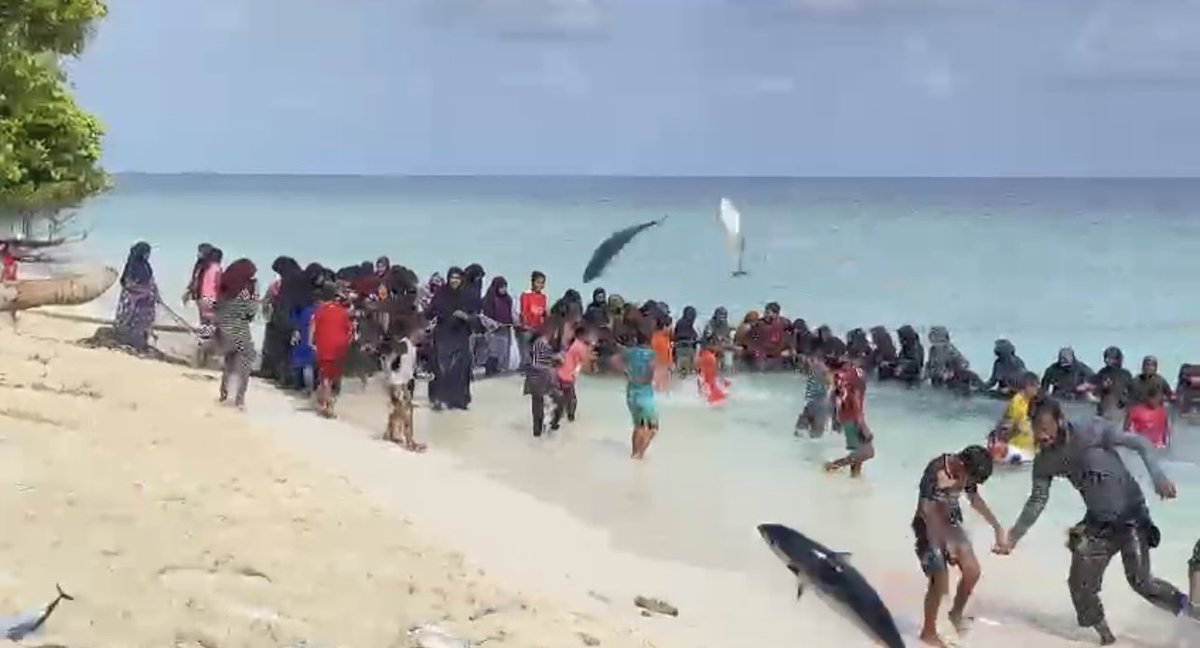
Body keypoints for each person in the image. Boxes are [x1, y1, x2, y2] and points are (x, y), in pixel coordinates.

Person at [994, 397, 1187, 645]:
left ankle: (1190, 612)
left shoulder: (1091, 430)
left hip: (1131, 514)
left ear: (1060, 421)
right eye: (1036, 429)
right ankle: (1106, 637)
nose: (1042, 436)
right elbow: (1037, 501)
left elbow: (1139, 442)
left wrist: (1157, 475)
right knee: (1080, 584)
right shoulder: (1046, 461)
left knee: (1142, 582)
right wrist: (1014, 536)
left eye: (1046, 428)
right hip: (1097, 523)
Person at [912, 445, 1003, 647]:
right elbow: (925, 510)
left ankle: (955, 615)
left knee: (973, 571)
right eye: (970, 479)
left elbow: (974, 499)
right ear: (961, 464)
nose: (968, 484)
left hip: (950, 523)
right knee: (940, 580)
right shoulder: (936, 470)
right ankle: (928, 632)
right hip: (928, 525)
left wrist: (996, 526)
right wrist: (946, 544)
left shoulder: (966, 472)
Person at [427, 267, 478, 410]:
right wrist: (441, 313)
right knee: (442, 368)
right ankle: (438, 399)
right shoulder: (440, 294)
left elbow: (475, 317)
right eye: (452, 278)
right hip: (443, 334)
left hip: (461, 335)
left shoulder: (467, 295)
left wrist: (465, 316)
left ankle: (459, 400)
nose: (455, 281)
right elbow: (430, 312)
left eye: (457, 278)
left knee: (461, 368)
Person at [612, 315, 658, 460]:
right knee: (653, 427)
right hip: (645, 394)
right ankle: (640, 454)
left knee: (638, 425)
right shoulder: (650, 355)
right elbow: (649, 374)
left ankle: (634, 453)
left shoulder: (630, 352)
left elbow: (615, 361)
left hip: (631, 391)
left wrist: (627, 373)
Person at [214, 259, 258, 409]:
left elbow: (217, 307)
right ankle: (239, 399)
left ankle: (224, 394)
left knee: (229, 363)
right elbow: (251, 312)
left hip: (224, 328)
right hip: (240, 329)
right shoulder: (248, 288)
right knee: (244, 363)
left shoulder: (225, 286)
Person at [825, 358, 875, 476]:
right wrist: (861, 423)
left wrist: (834, 418)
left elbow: (834, 397)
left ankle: (855, 480)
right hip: (853, 417)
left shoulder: (840, 376)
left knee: (857, 454)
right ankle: (833, 466)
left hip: (845, 416)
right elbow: (854, 398)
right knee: (868, 452)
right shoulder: (857, 375)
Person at [311, 287, 353, 418]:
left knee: (325, 378)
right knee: (334, 378)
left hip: (324, 348)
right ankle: (327, 404)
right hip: (339, 349)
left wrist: (311, 343)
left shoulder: (320, 310)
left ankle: (325, 405)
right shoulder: (344, 313)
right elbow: (350, 332)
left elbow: (312, 328)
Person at [385, 320, 426, 452]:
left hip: (404, 384)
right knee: (406, 412)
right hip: (397, 383)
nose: (424, 335)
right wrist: (391, 378)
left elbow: (408, 369)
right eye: (422, 332)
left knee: (400, 411)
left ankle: (389, 433)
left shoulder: (414, 348)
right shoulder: (404, 344)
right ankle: (410, 441)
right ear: (414, 332)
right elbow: (388, 361)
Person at [113, 241, 159, 352]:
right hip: (134, 302)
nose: (148, 255)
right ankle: (130, 344)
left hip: (146, 303)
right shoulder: (132, 266)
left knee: (144, 324)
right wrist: (144, 291)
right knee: (133, 324)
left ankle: (141, 344)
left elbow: (151, 281)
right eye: (147, 252)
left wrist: (155, 293)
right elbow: (128, 284)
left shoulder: (146, 266)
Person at [988, 371, 1039, 464]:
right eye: (1036, 387)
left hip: (1026, 448)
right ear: (1028, 387)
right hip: (1016, 448)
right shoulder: (1017, 403)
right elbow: (1007, 427)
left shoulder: (1028, 402)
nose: (1037, 391)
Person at [524, 316, 561, 438]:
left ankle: (537, 432)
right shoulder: (543, 344)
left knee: (537, 405)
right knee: (557, 400)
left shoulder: (538, 342)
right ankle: (551, 426)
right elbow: (549, 361)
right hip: (541, 375)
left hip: (534, 375)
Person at [552, 324, 591, 430]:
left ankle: (556, 419)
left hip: (558, 374)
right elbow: (585, 363)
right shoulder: (581, 346)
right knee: (571, 400)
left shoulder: (570, 343)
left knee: (561, 398)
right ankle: (570, 420)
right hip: (568, 376)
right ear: (583, 335)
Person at [796, 354, 833, 437]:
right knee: (800, 430)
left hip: (820, 406)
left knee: (814, 434)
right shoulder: (814, 370)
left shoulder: (823, 370)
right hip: (812, 404)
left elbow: (831, 386)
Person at [1125, 383, 1170, 449]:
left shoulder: (1162, 411)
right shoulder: (1135, 410)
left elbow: (1165, 430)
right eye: (1154, 398)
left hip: (1158, 447)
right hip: (1140, 446)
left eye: (1159, 399)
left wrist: (1166, 445)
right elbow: (1126, 429)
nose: (1156, 401)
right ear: (1148, 397)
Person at [696, 337, 729, 405]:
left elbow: (700, 373)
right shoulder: (711, 357)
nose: (720, 347)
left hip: (705, 384)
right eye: (718, 345)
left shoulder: (703, 355)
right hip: (710, 385)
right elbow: (713, 373)